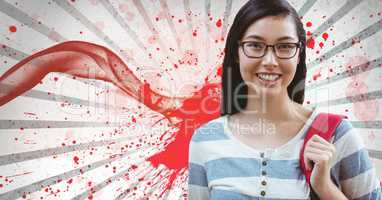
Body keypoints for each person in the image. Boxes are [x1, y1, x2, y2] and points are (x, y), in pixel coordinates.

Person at [188, 0, 381, 199]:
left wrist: (325, 187)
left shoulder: (336, 135)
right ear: (236, 53)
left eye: (285, 46)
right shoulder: (206, 140)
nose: (270, 61)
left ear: (299, 54)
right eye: (255, 45)